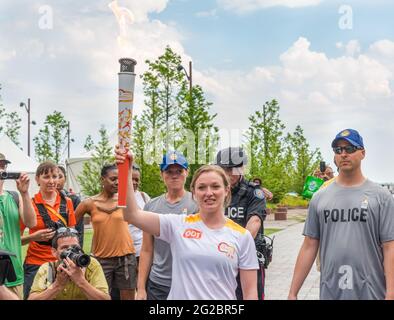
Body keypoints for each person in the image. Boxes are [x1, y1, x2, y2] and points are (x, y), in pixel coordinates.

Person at [116, 146, 259, 300]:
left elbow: (250, 293)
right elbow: (131, 215)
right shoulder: (177, 225)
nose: (209, 193)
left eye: (216, 186)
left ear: (226, 190)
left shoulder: (242, 237)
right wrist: (126, 170)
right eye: (202, 187)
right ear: (194, 192)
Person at [288, 129, 394, 300]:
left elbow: (390, 247)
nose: (343, 154)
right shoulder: (320, 198)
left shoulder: (381, 197)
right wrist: (293, 292)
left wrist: (391, 293)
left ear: (362, 153)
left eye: (350, 149)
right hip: (331, 291)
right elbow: (309, 245)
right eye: (338, 150)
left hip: (372, 291)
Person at [137, 151, 198, 300]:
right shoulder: (151, 206)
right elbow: (146, 249)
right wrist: (140, 289)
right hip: (159, 283)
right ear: (162, 174)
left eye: (179, 171)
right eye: (169, 171)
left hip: (189, 282)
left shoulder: (197, 203)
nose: (174, 175)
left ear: (187, 172)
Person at [75, 164, 137, 300]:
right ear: (102, 179)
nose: (117, 182)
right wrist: (76, 247)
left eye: (120, 179)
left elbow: (137, 217)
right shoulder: (89, 203)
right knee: (99, 297)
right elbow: (70, 225)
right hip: (101, 259)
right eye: (113, 179)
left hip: (126, 258)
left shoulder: (124, 200)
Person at [215, 147, 267, 300]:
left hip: (247, 258)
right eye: (224, 168)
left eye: (232, 168)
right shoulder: (215, 191)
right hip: (219, 258)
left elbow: (254, 223)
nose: (228, 173)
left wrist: (232, 250)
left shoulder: (254, 192)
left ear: (242, 168)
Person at [21, 161, 76, 299]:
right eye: (46, 177)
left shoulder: (67, 202)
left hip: (63, 261)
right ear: (37, 179)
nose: (51, 181)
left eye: (55, 176)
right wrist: (33, 237)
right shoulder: (30, 204)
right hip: (36, 263)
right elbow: (16, 239)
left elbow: (73, 234)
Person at [28, 227, 110, 300]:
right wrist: (57, 285)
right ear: (54, 252)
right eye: (65, 248)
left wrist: (81, 281)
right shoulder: (48, 268)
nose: (71, 252)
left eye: (75, 247)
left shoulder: (90, 264)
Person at [0, 153, 36, 299]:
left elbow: (31, 223)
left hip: (13, 271)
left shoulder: (14, 197)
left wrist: (25, 193)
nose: (1, 170)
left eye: (3, 166)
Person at [57, 165, 84, 247]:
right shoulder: (39, 200)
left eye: (60, 177)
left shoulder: (73, 199)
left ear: (65, 179)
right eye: (53, 176)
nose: (56, 180)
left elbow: (78, 230)